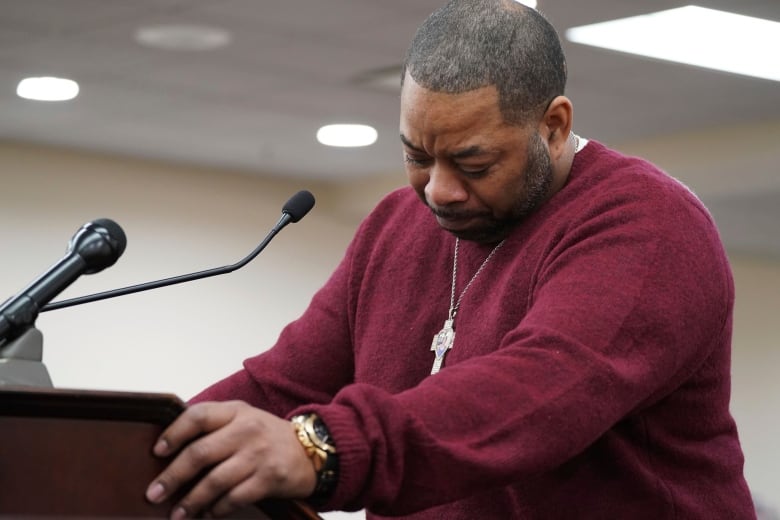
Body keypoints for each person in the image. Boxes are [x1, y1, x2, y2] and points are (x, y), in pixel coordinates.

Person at [145, 1, 756, 518]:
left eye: (474, 164)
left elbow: (534, 395)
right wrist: (144, 448)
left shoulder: (648, 224)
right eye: (416, 156)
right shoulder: (394, 225)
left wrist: (317, 449)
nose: (438, 191)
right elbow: (279, 384)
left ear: (553, 126)